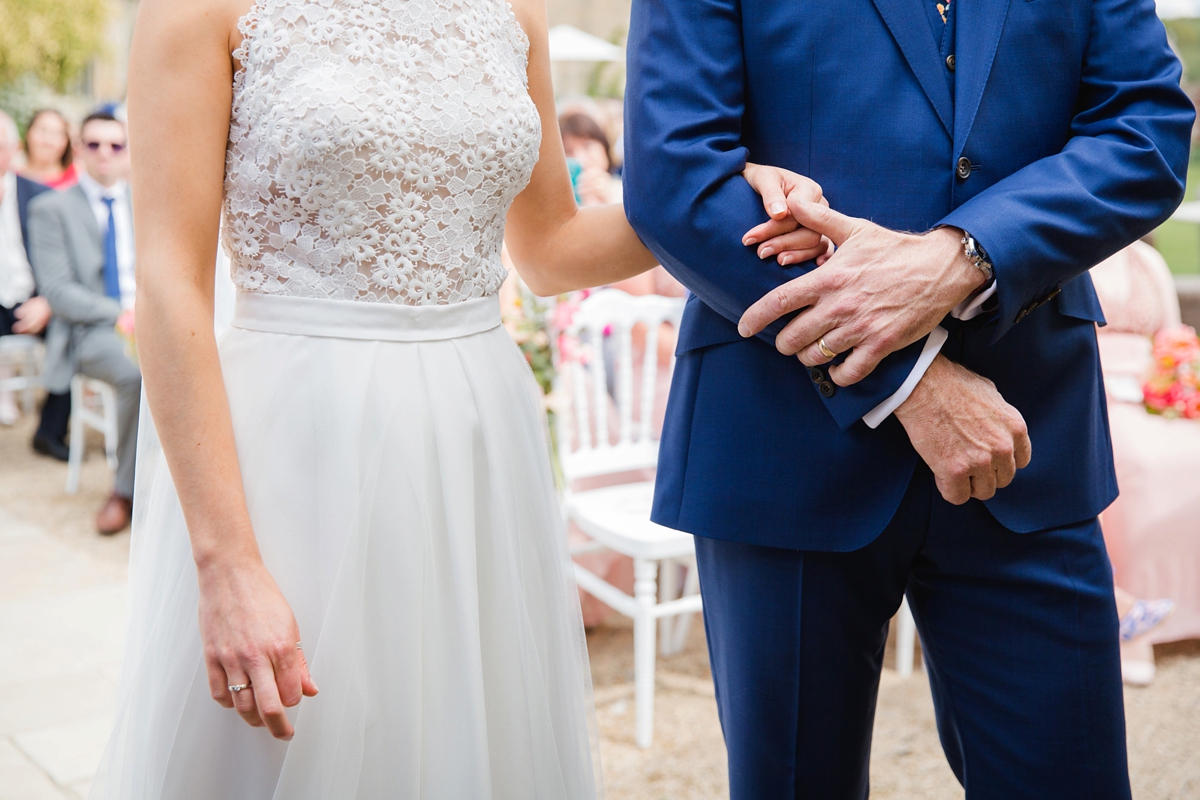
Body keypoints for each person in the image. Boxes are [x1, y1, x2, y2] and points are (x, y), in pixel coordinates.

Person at [90, 0, 802, 795]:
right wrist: (225, 565)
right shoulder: (201, 9)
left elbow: (551, 248)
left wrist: (725, 193)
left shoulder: (511, 11)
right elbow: (167, 286)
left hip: (476, 437)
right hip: (301, 443)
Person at [624, 0, 1193, 796]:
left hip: (1028, 433)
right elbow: (675, 175)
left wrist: (964, 258)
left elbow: (1145, 131)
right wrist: (910, 377)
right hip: (783, 436)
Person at [27, 112, 140, 535]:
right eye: (94, 144)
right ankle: (126, 491)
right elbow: (58, 293)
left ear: (127, 150)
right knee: (137, 373)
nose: (105, 154)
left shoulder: (144, 201)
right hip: (91, 330)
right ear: (78, 150)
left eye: (115, 145)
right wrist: (123, 315)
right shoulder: (50, 209)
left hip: (150, 316)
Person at [0, 111, 72, 447]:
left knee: (69, 325)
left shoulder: (39, 194)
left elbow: (61, 260)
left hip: (30, 299)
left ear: (13, 149)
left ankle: (50, 432)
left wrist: (47, 300)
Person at [19, 110, 77, 190]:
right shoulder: (11, 175)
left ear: (66, 141)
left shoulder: (78, 177)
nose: (47, 140)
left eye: (55, 133)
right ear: (28, 133)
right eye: (42, 130)